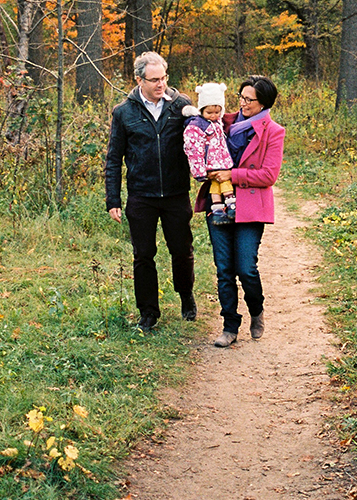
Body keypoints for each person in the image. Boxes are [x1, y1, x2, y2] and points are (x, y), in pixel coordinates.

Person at [105, 51, 197, 334]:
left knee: (181, 251)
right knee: (143, 254)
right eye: (154, 80)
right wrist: (113, 199)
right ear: (139, 80)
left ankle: (186, 297)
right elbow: (113, 158)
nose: (161, 84)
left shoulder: (181, 106)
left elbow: (201, 139)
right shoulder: (124, 112)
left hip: (175, 193)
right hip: (141, 196)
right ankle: (148, 312)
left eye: (164, 78)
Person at [194, 74, 285, 348]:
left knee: (246, 268)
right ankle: (229, 326)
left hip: (250, 206)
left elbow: (269, 175)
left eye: (249, 99)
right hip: (218, 202)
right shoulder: (221, 121)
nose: (243, 104)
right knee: (224, 269)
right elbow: (195, 128)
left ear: (264, 103)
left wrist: (232, 175)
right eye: (241, 97)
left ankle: (256, 310)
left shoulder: (273, 131)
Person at [182, 82, 235, 224]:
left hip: (221, 160)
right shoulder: (197, 126)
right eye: (209, 113)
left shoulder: (217, 123)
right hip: (211, 163)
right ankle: (231, 203)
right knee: (224, 180)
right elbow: (193, 150)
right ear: (201, 110)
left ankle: (217, 209)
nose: (213, 116)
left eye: (217, 112)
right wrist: (199, 172)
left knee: (216, 185)